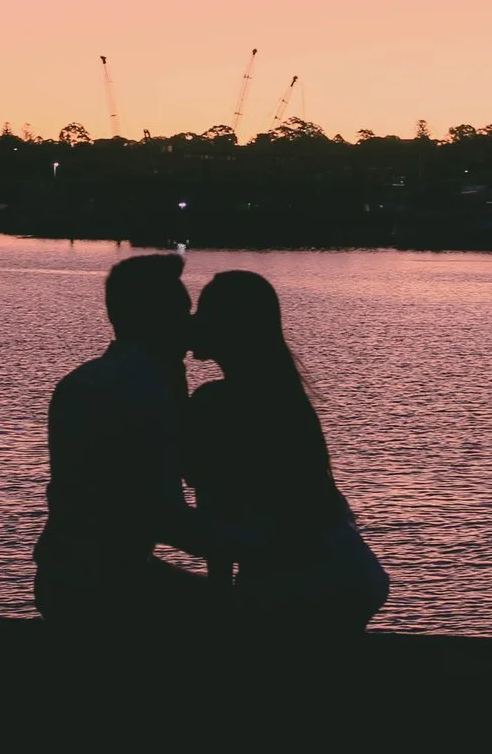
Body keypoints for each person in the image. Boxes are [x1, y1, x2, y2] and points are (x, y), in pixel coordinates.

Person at [184, 270, 388, 633]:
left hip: (299, 581)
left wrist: (222, 607)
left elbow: (217, 510)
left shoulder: (217, 403)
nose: (193, 321)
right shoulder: (283, 398)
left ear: (229, 326)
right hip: (351, 571)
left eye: (203, 311)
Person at [32, 252, 223, 629]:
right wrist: (256, 542)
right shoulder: (146, 392)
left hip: (63, 576)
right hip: (106, 589)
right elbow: (165, 516)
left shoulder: (81, 381)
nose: (189, 327)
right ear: (157, 320)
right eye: (182, 313)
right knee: (241, 615)